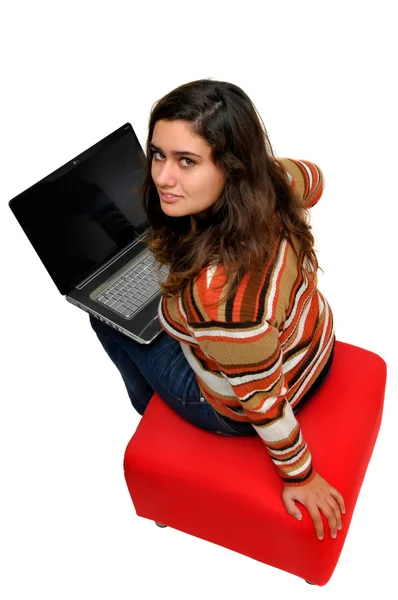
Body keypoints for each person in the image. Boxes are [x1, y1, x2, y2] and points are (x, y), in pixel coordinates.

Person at [90, 78, 345, 542]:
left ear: (230, 167)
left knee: (104, 315)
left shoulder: (219, 299)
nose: (162, 178)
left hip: (240, 403)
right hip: (313, 349)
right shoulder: (274, 181)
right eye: (158, 154)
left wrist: (301, 476)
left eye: (187, 161)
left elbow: (263, 401)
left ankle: (158, 414)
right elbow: (316, 178)